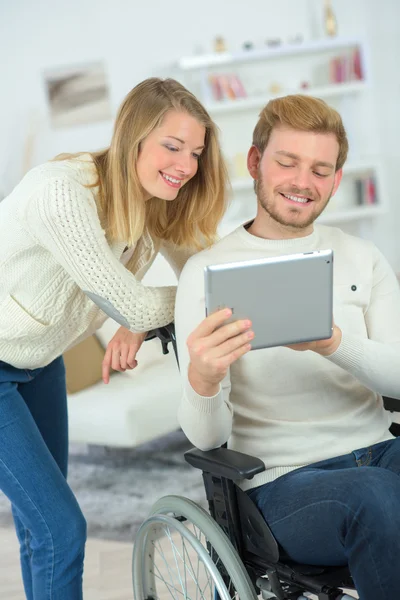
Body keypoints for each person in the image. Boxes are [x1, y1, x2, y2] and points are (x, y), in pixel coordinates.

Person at [0, 77, 228, 599]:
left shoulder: (154, 201)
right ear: (134, 138)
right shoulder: (62, 191)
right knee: (61, 527)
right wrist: (138, 315)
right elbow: (141, 300)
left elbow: (208, 276)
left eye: (195, 152)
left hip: (39, 362)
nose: (186, 165)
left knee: (41, 528)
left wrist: (140, 318)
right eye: (172, 146)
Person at [175, 94, 400, 600]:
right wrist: (204, 378)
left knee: (382, 490)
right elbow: (206, 437)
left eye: (321, 170)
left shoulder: (361, 256)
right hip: (282, 484)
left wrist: (333, 343)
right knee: (379, 500)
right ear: (255, 163)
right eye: (287, 162)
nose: (303, 182)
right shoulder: (205, 273)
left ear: (337, 179)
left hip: (380, 451)